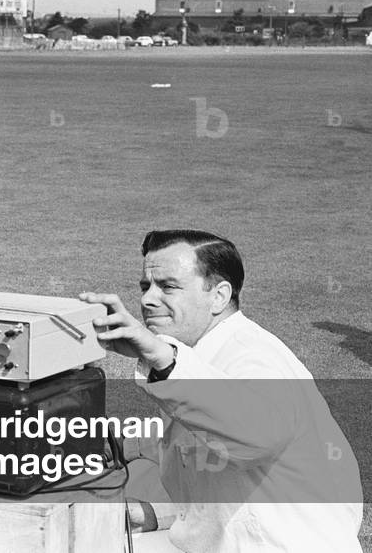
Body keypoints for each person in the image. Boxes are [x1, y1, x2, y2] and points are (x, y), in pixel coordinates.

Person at [80, 229, 362, 553]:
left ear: (219, 296)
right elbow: (202, 455)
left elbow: (256, 437)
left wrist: (165, 363)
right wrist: (117, 447)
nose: (146, 299)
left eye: (168, 286)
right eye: (146, 286)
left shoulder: (255, 358)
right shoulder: (202, 351)